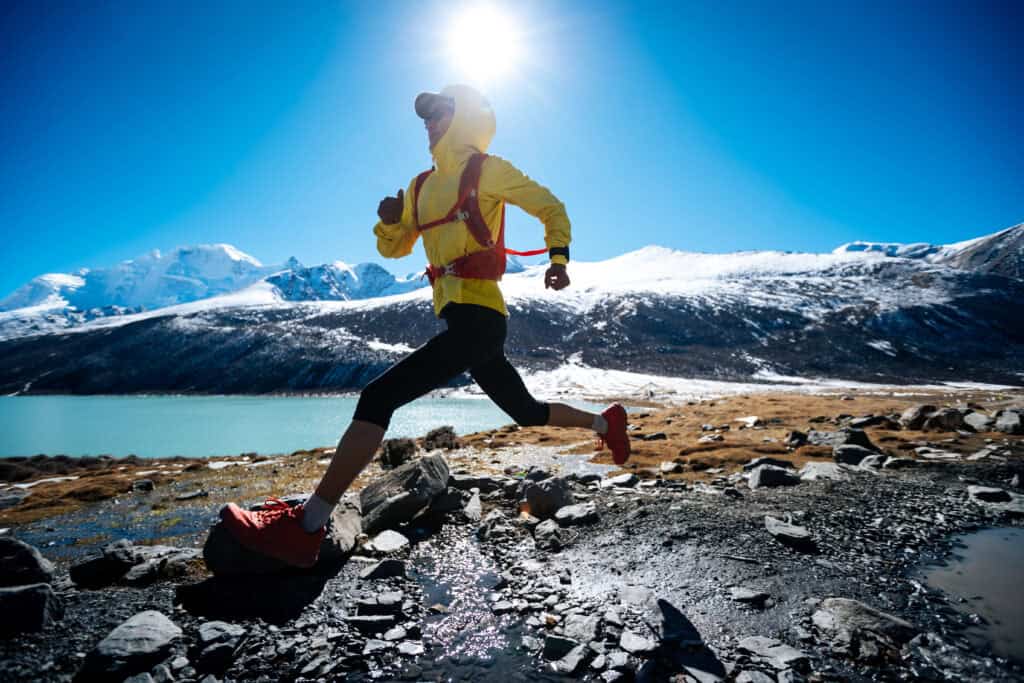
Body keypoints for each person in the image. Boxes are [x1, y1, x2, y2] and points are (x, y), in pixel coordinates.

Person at [220, 85, 630, 568]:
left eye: (440, 115)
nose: (430, 125)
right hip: (465, 322)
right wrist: (391, 223)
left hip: (480, 320)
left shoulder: (488, 169)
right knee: (525, 410)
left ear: (465, 118)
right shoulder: (418, 186)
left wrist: (558, 258)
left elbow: (551, 207)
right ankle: (606, 422)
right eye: (427, 119)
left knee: (377, 397)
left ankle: (307, 527)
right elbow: (393, 250)